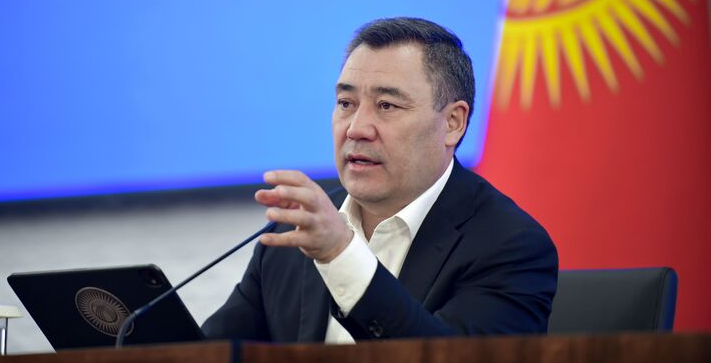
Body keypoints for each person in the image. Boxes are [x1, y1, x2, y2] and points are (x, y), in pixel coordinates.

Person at [202, 17, 557, 342]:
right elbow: (209, 352)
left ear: (453, 123)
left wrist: (340, 255)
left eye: (386, 105)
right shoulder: (294, 235)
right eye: (346, 103)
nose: (356, 129)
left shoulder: (510, 247)